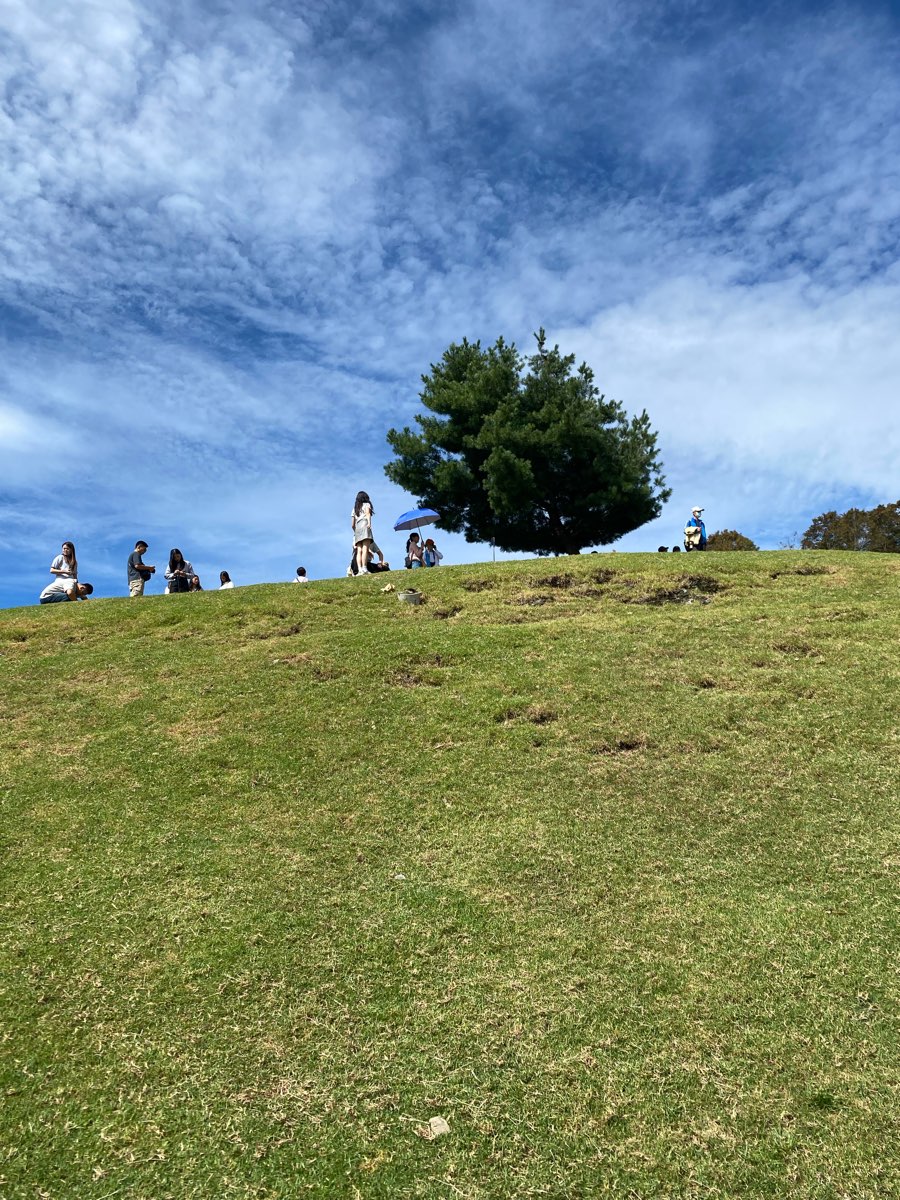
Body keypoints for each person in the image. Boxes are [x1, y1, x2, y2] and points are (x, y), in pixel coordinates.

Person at [351, 491, 375, 574]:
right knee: (365, 548)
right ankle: (364, 568)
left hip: (357, 528)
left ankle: (360, 569)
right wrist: (369, 523)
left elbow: (352, 524)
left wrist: (356, 531)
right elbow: (368, 514)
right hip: (364, 524)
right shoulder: (366, 505)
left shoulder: (355, 509)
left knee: (359, 550)